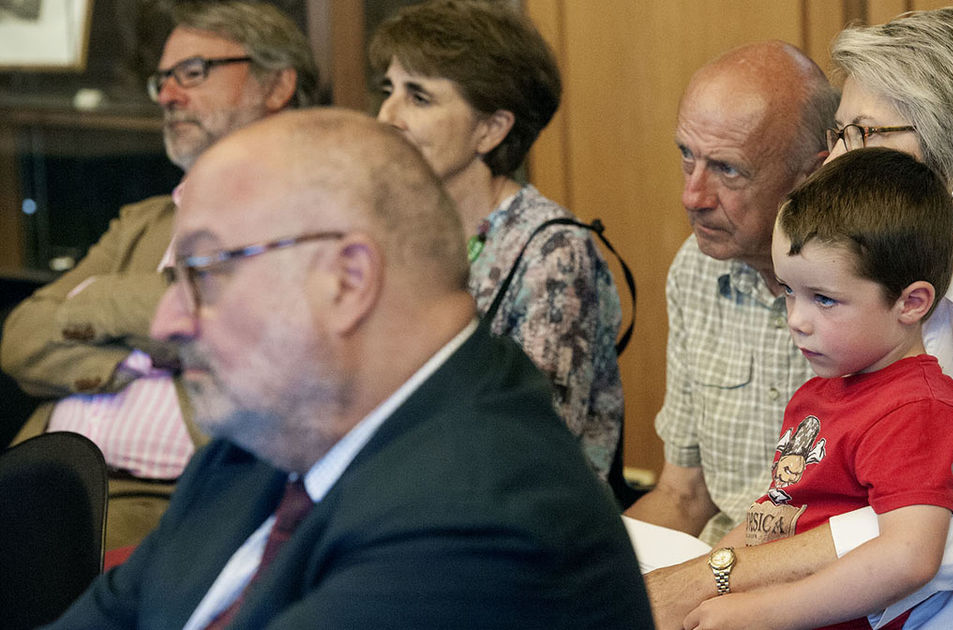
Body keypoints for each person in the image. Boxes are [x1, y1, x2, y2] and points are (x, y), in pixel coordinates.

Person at [46, 108, 656, 629]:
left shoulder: (483, 520)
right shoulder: (254, 449)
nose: (167, 323)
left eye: (205, 272)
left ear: (348, 280)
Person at [646, 8, 953, 630]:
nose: (836, 163)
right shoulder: (866, 286)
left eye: (865, 136)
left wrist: (719, 579)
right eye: (839, 135)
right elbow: (807, 492)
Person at [0, 0, 318, 549]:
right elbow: (20, 338)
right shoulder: (145, 221)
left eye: (193, 73)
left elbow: (241, 335)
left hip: (169, 515)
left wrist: (100, 300)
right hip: (39, 489)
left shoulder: (311, 217)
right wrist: (150, 353)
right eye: (163, 80)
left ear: (276, 85)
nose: (169, 95)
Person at [683, 147, 953, 630]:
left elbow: (910, 555)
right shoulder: (820, 392)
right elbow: (771, 517)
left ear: (912, 302)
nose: (797, 320)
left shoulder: (915, 407)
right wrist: (696, 584)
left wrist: (761, 612)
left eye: (824, 299)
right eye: (789, 291)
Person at [369, 0, 624, 479]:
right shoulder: (396, 235)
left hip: (524, 523)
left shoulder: (553, 250)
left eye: (418, 98)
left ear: (491, 129)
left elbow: (534, 438)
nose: (387, 116)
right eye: (389, 90)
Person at [624, 41, 837, 543]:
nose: (692, 196)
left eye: (727, 169)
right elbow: (684, 495)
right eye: (686, 157)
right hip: (716, 563)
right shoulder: (694, 270)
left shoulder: (868, 296)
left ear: (812, 172)